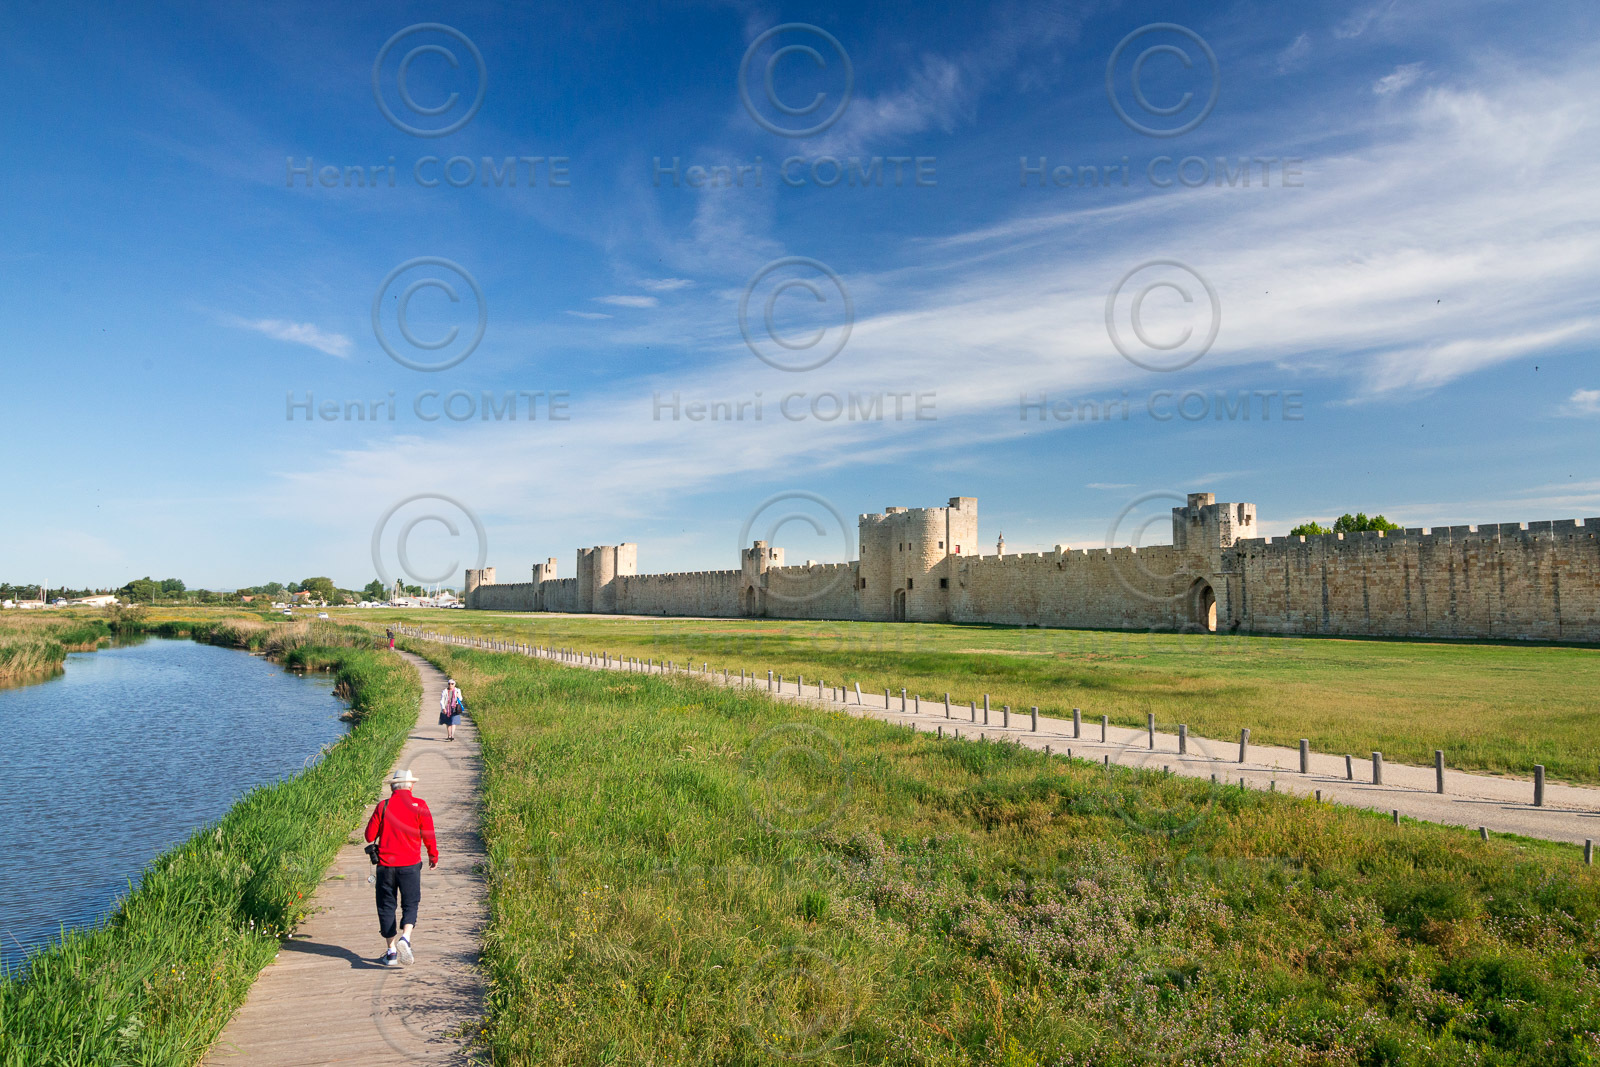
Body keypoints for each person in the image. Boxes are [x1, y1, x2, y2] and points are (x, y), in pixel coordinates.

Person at [365, 768, 438, 967]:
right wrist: (433, 855)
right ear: (411, 786)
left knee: (386, 906)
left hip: (386, 867)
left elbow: (369, 836)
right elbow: (428, 834)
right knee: (410, 903)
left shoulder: (383, 805)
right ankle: (405, 938)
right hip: (411, 865)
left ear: (392, 787)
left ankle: (391, 952)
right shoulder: (420, 805)